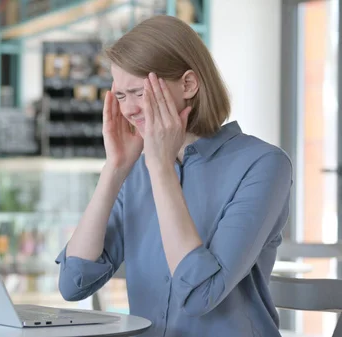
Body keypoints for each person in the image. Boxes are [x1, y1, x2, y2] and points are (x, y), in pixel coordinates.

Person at [55, 15, 292, 337]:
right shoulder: (136, 171)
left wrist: (162, 167)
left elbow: (200, 294)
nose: (128, 110)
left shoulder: (263, 164)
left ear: (189, 85)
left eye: (139, 92)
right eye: (121, 96)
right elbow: (74, 283)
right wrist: (115, 169)